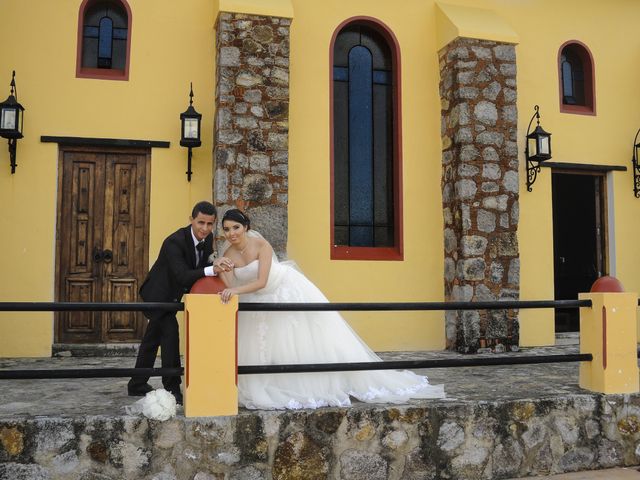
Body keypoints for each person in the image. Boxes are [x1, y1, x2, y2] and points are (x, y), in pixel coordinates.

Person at [216, 208, 445, 410]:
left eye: (236, 227)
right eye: (226, 229)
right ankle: (274, 382)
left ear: (245, 227)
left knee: (302, 338)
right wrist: (220, 267)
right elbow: (228, 285)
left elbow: (262, 281)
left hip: (284, 289)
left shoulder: (261, 245)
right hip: (254, 299)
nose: (231, 233)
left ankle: (323, 379)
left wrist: (236, 292)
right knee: (264, 345)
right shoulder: (228, 255)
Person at [128, 201, 226, 405]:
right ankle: (173, 388)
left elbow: (200, 267)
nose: (205, 229)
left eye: (210, 224)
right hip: (157, 296)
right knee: (170, 335)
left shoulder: (207, 240)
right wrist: (211, 270)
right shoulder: (174, 241)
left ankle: (137, 383)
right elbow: (182, 275)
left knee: (151, 339)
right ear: (191, 220)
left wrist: (212, 265)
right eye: (201, 223)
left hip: (172, 298)